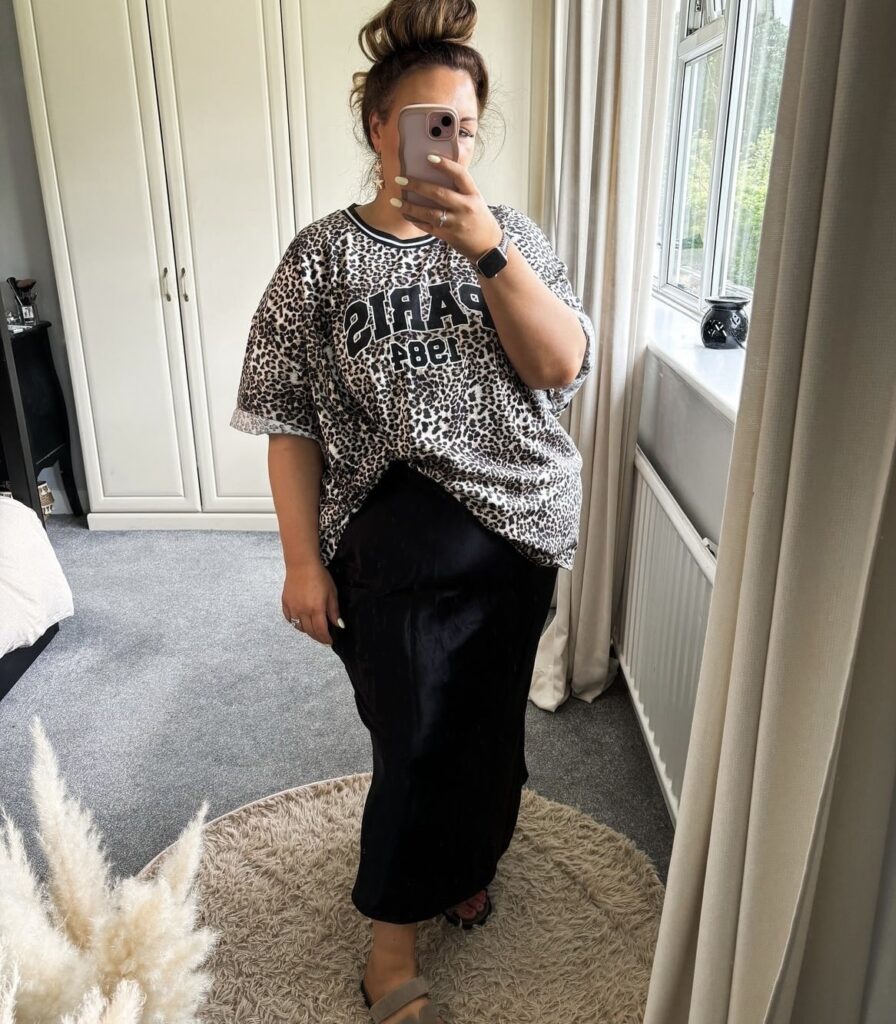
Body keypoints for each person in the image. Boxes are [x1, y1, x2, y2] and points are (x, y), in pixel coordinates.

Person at [230, 1, 595, 1020]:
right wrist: (301, 562)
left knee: (487, 728)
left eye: (463, 127)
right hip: (387, 537)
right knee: (416, 734)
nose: (449, 143)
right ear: (377, 128)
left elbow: (559, 367)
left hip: (520, 522)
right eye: (429, 124)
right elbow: (287, 420)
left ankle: (464, 861)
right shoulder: (320, 256)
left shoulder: (511, 236)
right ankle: (388, 951)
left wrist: (486, 250)